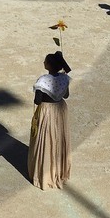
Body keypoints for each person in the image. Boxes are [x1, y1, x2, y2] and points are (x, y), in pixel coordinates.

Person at [28, 51, 70, 188]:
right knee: (58, 139)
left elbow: (37, 101)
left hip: (47, 112)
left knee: (46, 140)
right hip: (60, 110)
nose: (43, 63)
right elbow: (67, 95)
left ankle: (44, 175)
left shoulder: (42, 80)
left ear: (50, 65)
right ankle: (58, 171)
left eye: (45, 61)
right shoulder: (64, 78)